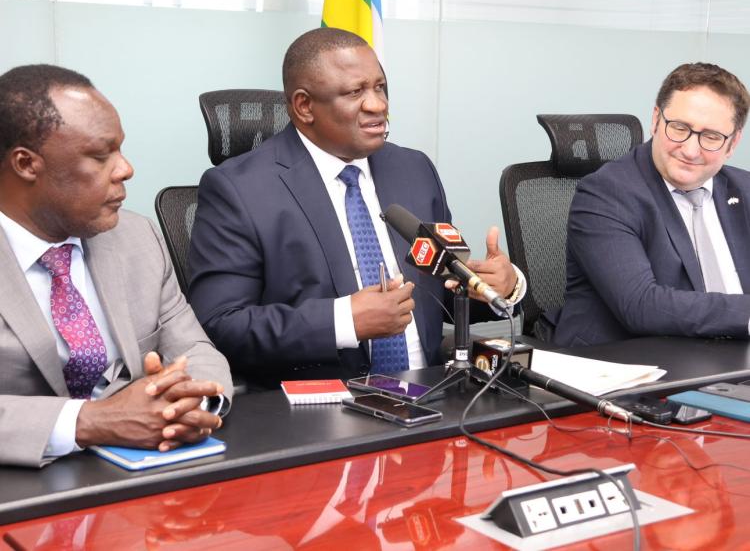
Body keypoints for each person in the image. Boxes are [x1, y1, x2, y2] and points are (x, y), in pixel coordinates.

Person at [188, 27, 524, 390]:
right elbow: (220, 324)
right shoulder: (238, 189)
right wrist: (344, 321)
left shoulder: (414, 170)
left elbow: (440, 293)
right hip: (319, 410)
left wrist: (496, 287)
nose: (378, 105)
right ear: (304, 106)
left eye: (380, 87)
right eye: (355, 92)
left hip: (432, 396)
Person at [0, 64, 232, 468]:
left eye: (120, 150)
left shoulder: (135, 237)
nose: (125, 169)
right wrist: (90, 422)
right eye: (99, 155)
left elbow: (194, 348)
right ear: (26, 164)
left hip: (144, 471)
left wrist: (190, 402)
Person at [550, 62, 750, 347]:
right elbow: (641, 306)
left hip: (734, 364)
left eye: (711, 137)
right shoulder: (606, 193)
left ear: (732, 144)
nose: (691, 150)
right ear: (656, 120)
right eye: (680, 128)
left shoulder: (745, 190)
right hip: (633, 369)